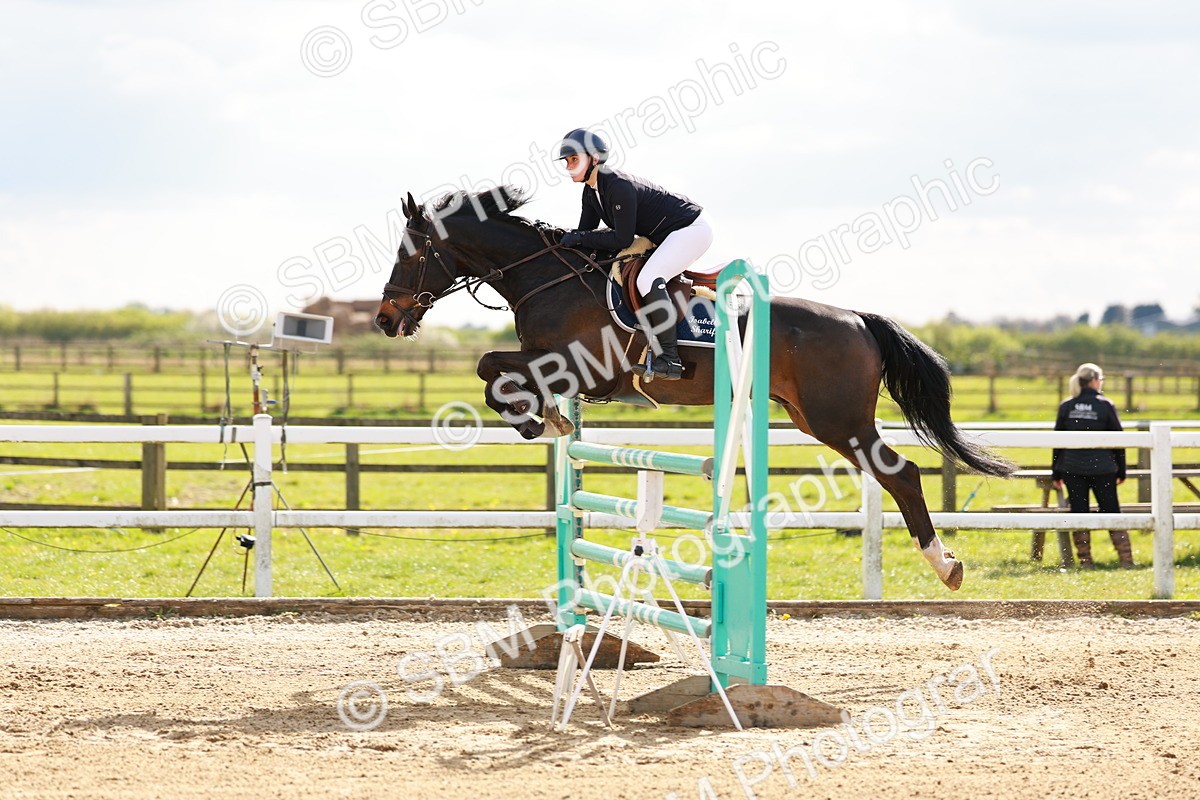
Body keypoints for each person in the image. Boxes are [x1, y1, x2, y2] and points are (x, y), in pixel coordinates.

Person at [555, 128, 718, 381]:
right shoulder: (591, 191)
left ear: (594, 159)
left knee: (648, 278)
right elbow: (584, 234)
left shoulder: (618, 186)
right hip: (667, 234)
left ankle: (671, 359)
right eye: (567, 161)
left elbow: (621, 239)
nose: (568, 166)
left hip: (692, 229)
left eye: (574, 159)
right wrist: (560, 238)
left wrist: (577, 237)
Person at [1051, 363, 1134, 568]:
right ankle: (1126, 560)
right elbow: (1118, 440)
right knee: (1111, 510)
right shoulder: (1105, 405)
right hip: (1103, 469)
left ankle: (1085, 561)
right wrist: (1122, 470)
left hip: (1072, 468)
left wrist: (1056, 472)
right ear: (1095, 380)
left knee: (1079, 512)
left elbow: (1056, 441)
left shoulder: (1067, 406)